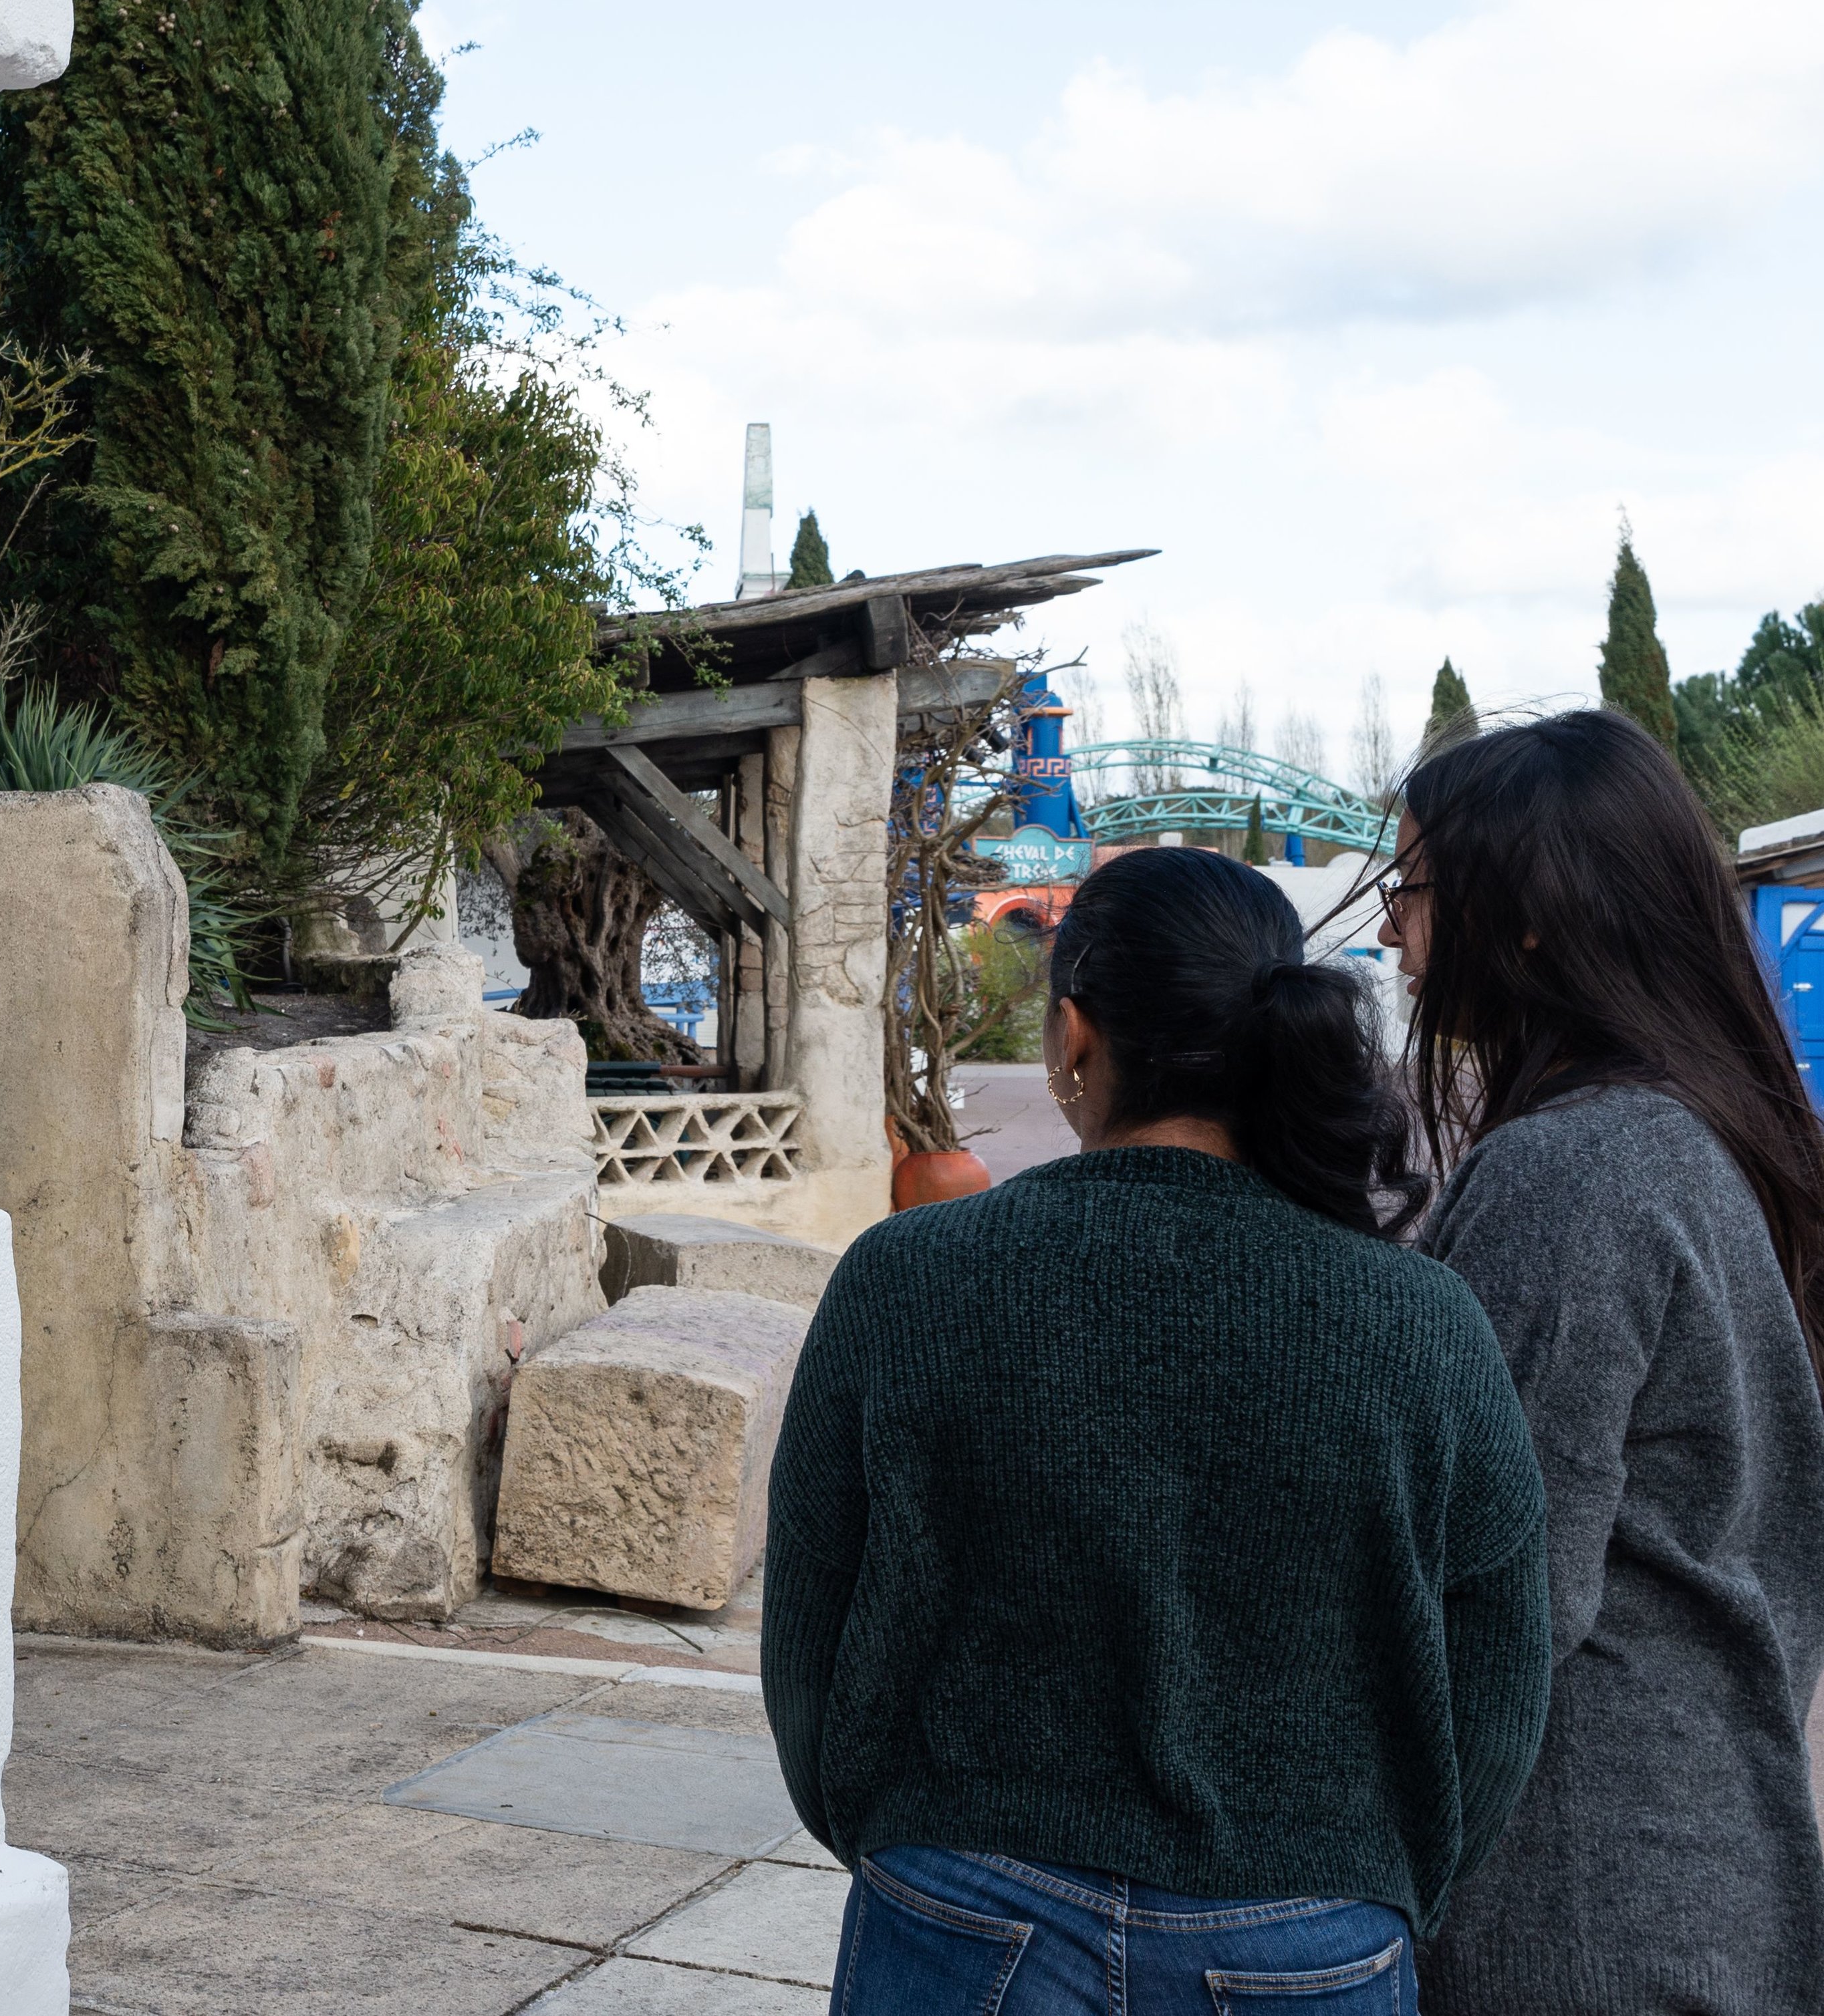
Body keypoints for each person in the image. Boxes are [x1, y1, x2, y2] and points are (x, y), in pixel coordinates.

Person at [765, 845, 1551, 2013]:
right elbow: (1500, 1667)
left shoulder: (906, 1278)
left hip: (962, 1900)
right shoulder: (1422, 1321)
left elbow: (810, 1629)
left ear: (1075, 1036)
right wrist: (1375, 1885)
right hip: (1313, 1936)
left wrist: (899, 1834)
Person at [1380, 710, 1824, 2014]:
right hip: (1706, 1869)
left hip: (1578, 1909)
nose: (1396, 929)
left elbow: (1501, 1591)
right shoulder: (1709, 1133)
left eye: (1412, 887)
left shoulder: (1572, 1173)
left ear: (1524, 916)